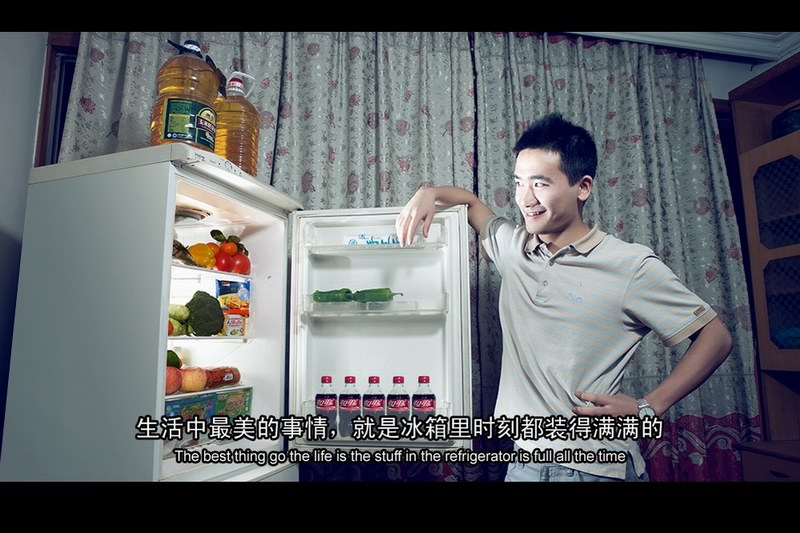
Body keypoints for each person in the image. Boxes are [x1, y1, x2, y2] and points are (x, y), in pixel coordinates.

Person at [395, 113, 733, 482]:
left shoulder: (629, 264)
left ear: (582, 187)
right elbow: (472, 205)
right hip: (524, 462)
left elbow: (716, 337)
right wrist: (428, 192)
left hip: (593, 468)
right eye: (519, 183)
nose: (525, 199)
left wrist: (648, 408)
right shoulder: (514, 248)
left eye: (540, 184)